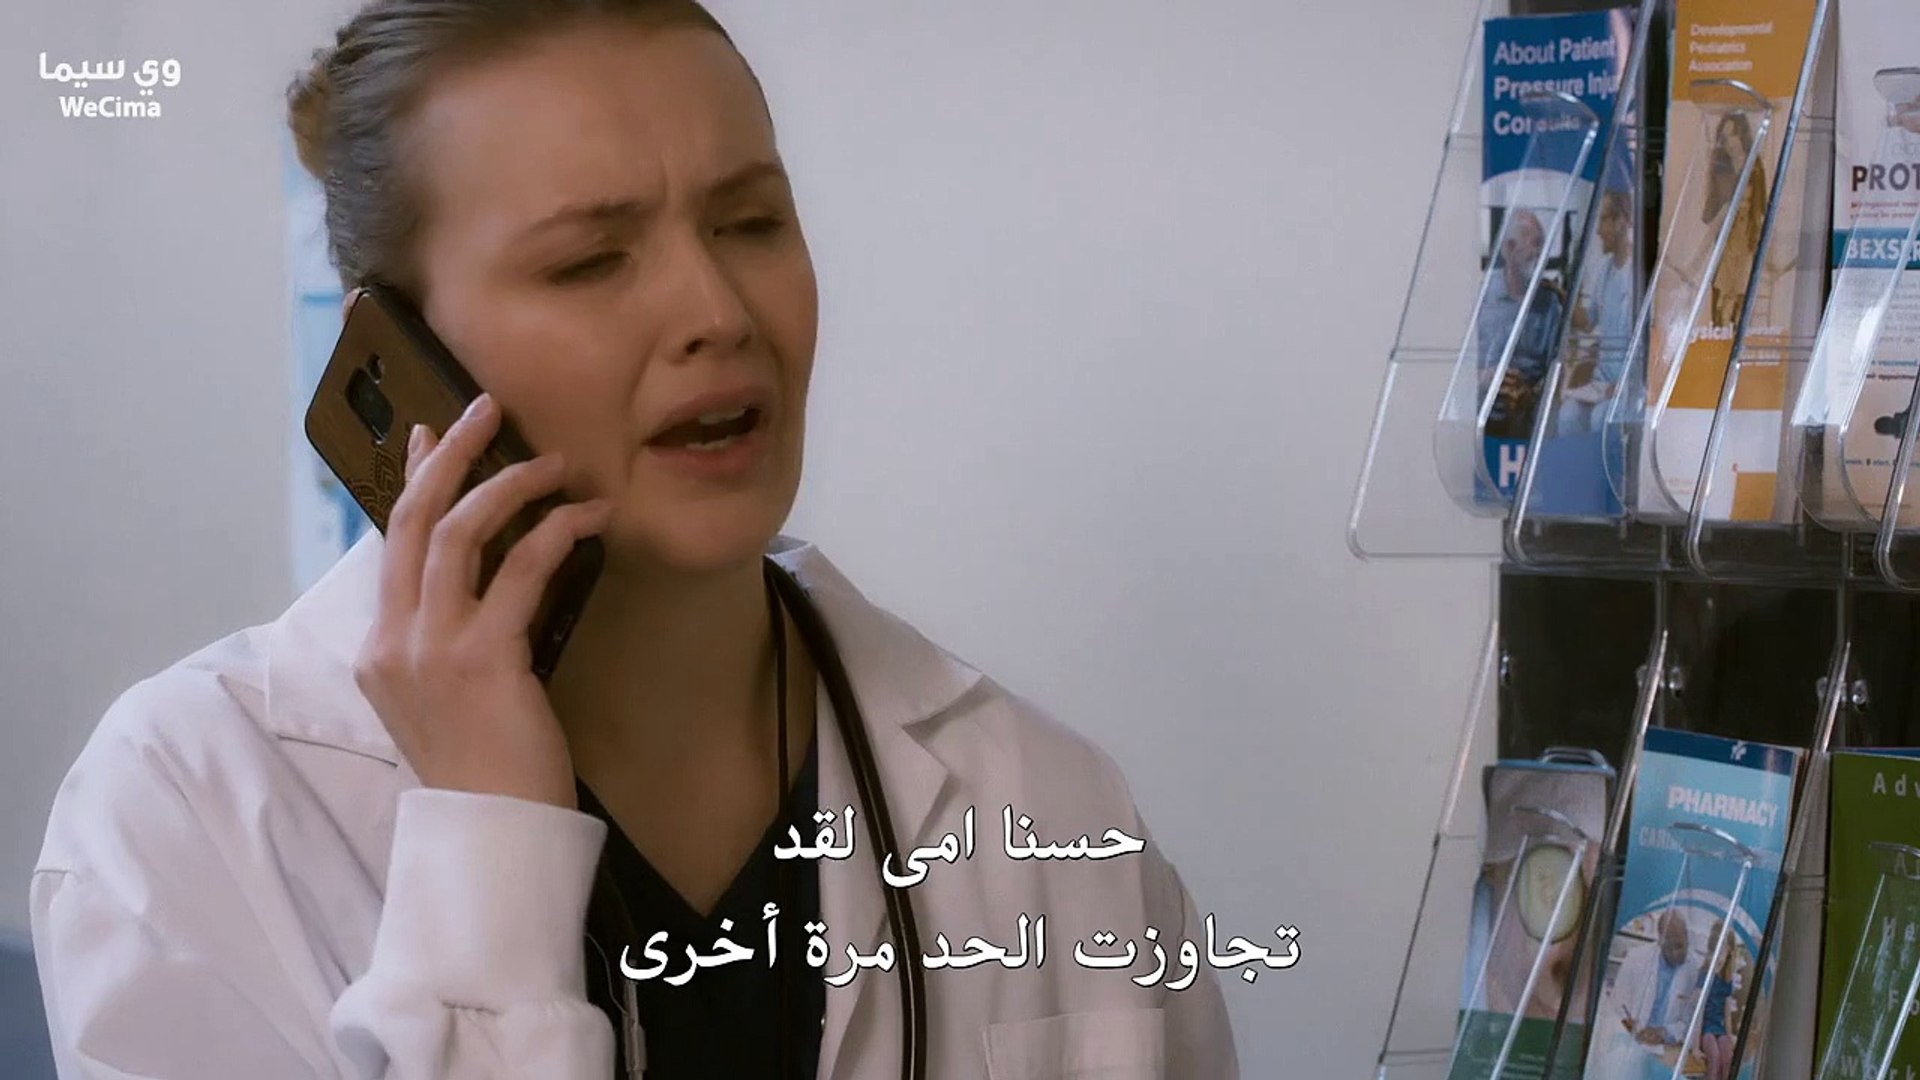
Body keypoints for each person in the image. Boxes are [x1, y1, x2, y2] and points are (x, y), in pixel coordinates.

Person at [27, 2, 1239, 1077]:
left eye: (751, 222)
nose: (718, 313)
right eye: (590, 261)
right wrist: (491, 849)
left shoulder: (1047, 807)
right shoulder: (187, 811)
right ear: (397, 355)